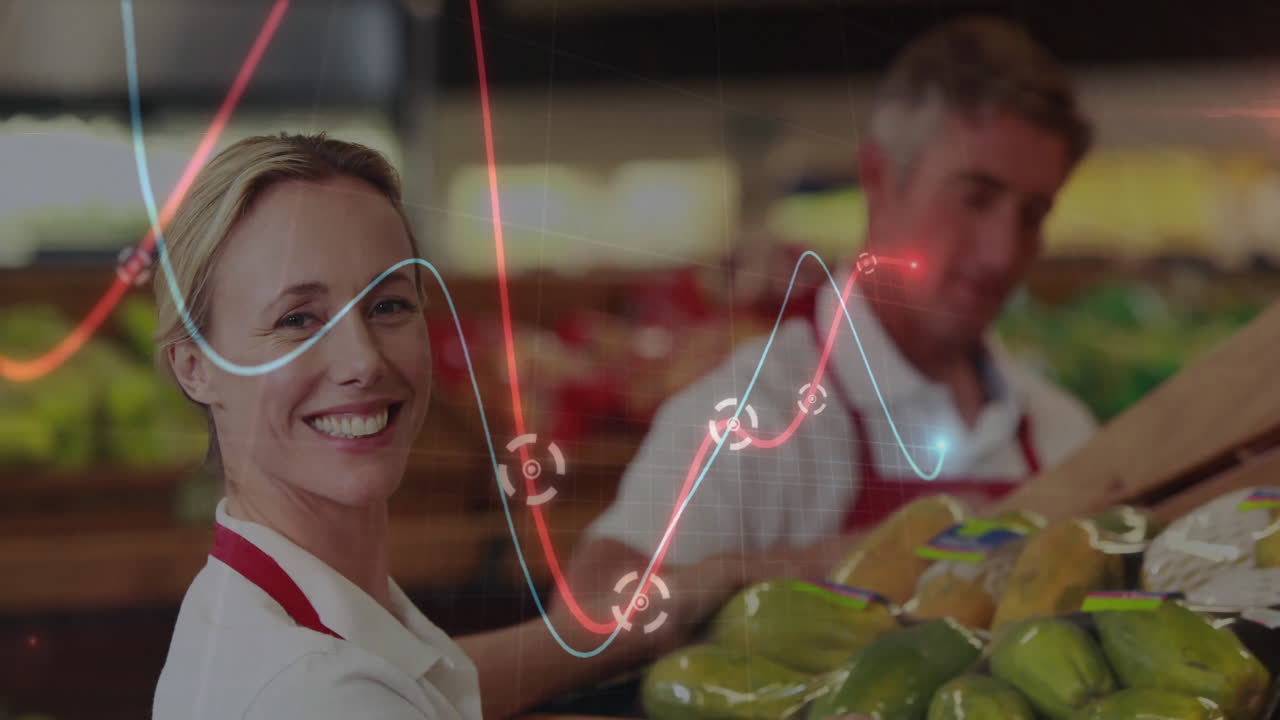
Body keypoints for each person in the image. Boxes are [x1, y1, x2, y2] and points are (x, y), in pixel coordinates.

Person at [151, 133, 747, 719]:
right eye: (297, 319)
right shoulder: (314, 689)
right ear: (195, 368)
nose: (362, 361)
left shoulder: (281, 610)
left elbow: (442, 686)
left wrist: (671, 603)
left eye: (389, 306)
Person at [564, 16, 1098, 608]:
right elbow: (588, 608)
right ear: (878, 178)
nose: (1003, 252)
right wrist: (829, 561)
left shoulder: (1062, 433)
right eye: (975, 197)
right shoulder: (751, 419)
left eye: (1033, 214)